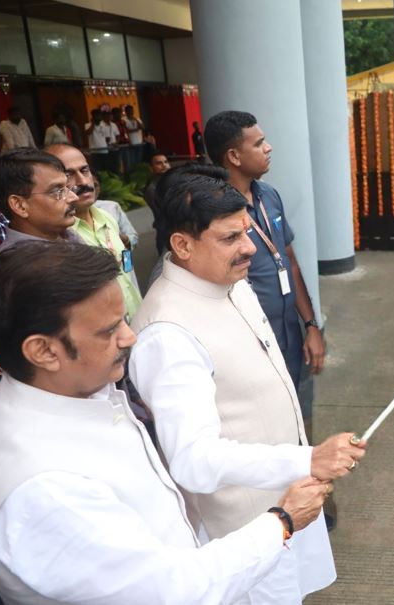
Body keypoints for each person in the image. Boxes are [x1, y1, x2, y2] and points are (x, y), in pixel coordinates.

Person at [0, 240, 331, 604]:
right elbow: (174, 591)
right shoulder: (45, 492)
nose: (129, 336)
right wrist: (282, 522)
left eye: (123, 319)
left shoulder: (77, 393)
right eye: (107, 330)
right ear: (43, 351)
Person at [129, 165, 366, 604]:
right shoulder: (168, 333)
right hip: (241, 529)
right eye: (231, 238)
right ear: (181, 244)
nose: (249, 248)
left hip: (285, 502)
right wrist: (308, 458)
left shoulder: (226, 281)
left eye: (247, 231)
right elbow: (194, 460)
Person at [204, 111, 325, 434]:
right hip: (251, 343)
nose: (268, 148)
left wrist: (311, 325)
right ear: (233, 156)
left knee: (298, 416)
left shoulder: (269, 195)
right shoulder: (211, 209)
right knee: (265, 426)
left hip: (290, 334)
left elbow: (289, 259)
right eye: (258, 143)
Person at [46, 143, 142, 319]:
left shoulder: (107, 217)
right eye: (69, 175)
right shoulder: (57, 237)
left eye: (84, 171)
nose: (82, 182)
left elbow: (127, 271)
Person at [0, 148, 80, 272]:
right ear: (19, 206)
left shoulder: (67, 237)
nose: (74, 197)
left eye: (68, 187)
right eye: (57, 191)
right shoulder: (17, 272)